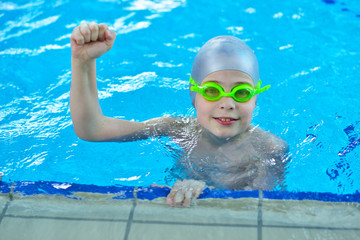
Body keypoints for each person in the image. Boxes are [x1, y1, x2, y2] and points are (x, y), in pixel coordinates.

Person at [70, 22, 289, 207]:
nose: (227, 104)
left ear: (255, 100)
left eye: (241, 93)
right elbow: (92, 129)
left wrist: (208, 193)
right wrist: (83, 62)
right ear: (194, 96)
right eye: (212, 91)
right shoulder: (174, 129)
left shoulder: (270, 148)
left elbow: (264, 208)